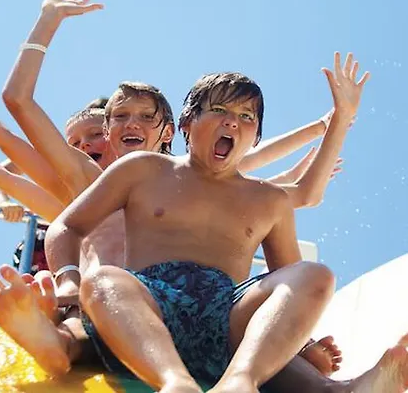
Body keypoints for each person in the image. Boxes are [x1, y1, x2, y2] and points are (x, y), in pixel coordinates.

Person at [41, 56, 366, 391]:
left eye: (246, 116)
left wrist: (340, 119)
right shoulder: (145, 170)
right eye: (219, 110)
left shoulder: (267, 199)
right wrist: (68, 281)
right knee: (103, 280)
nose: (232, 122)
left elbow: (289, 284)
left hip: (226, 325)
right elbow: (67, 226)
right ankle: (176, 382)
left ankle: (242, 381)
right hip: (149, 313)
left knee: (314, 274)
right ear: (186, 122)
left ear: (255, 137)